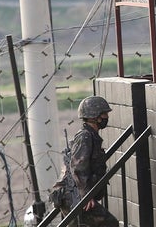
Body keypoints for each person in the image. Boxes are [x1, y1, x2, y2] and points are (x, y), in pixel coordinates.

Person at [51, 96, 119, 227]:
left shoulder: (91, 135)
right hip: (74, 196)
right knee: (110, 224)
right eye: (103, 114)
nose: (106, 117)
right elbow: (78, 167)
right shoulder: (85, 136)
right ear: (94, 116)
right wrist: (86, 195)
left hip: (75, 195)